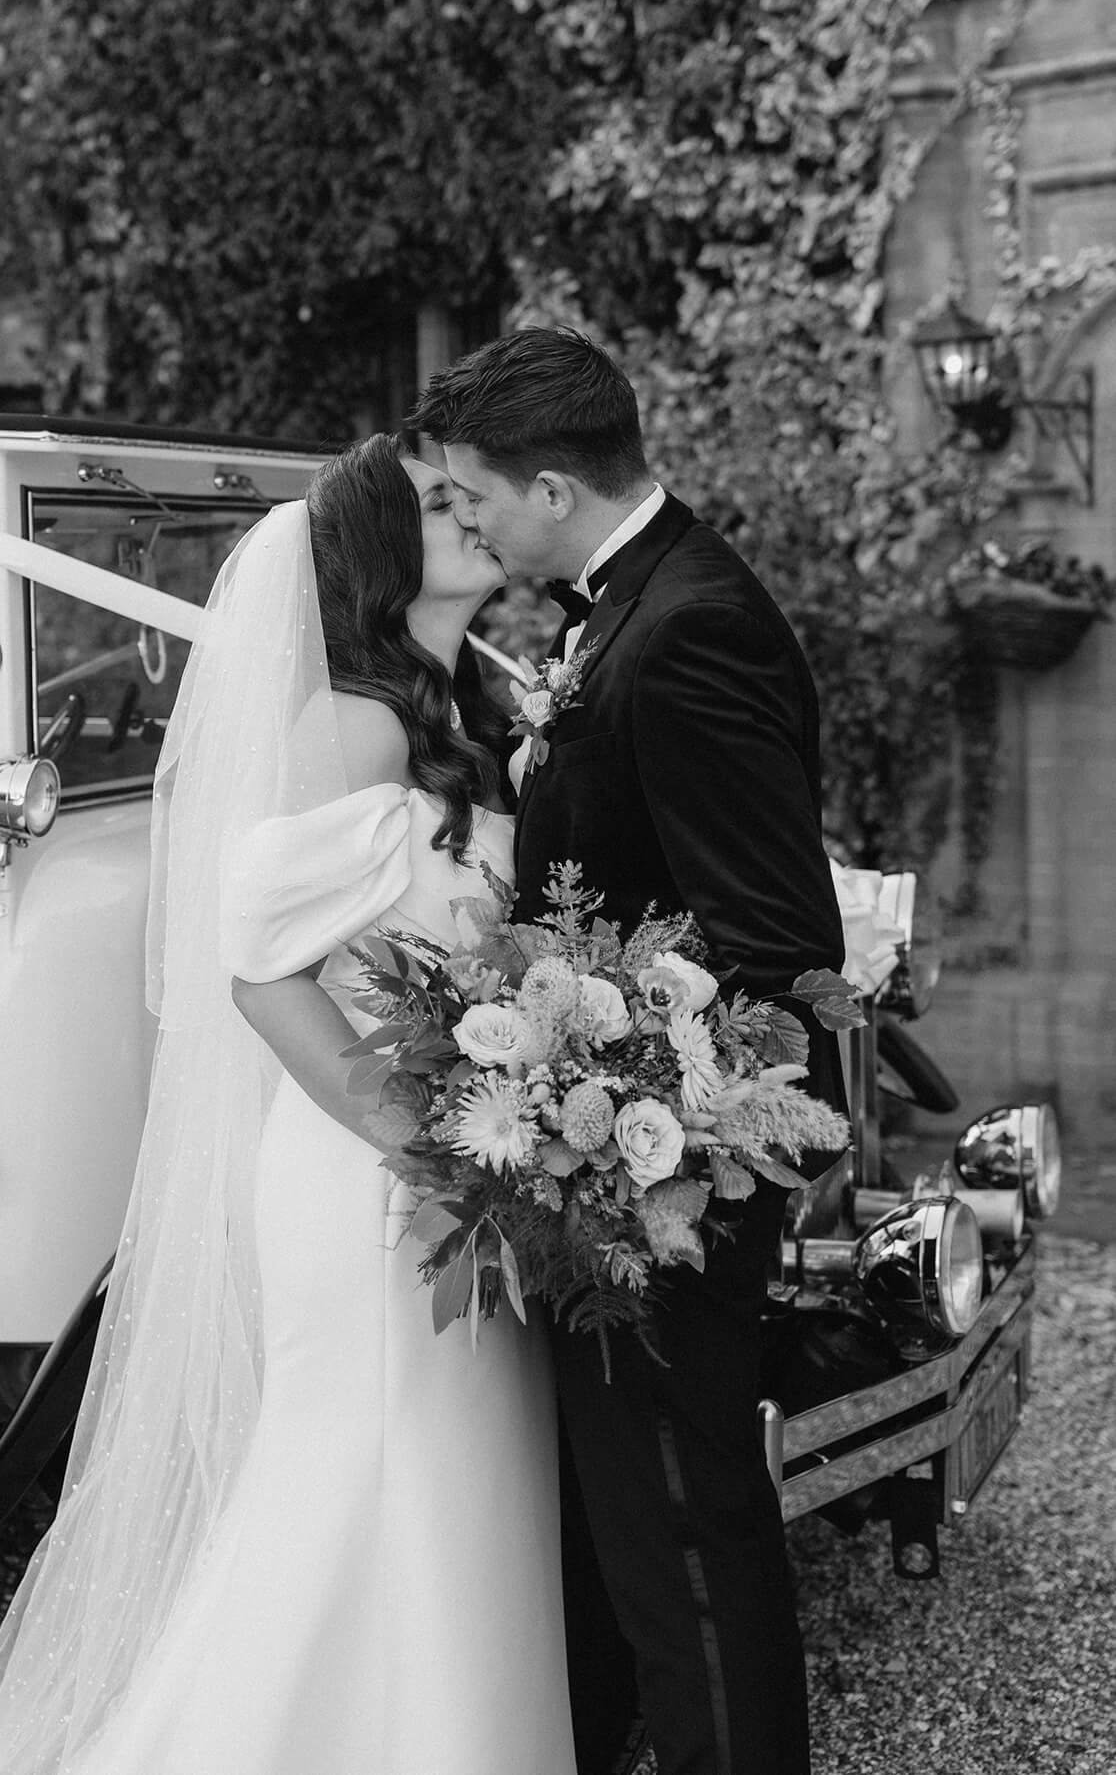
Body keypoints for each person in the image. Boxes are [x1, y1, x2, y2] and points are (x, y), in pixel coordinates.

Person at [0, 433, 578, 1775]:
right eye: (440, 507)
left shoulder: (452, 713)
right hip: (365, 1166)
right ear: (377, 556)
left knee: (450, 1490)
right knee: (364, 1483)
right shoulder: (355, 724)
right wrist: (419, 1137)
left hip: (453, 1160)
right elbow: (260, 969)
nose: (475, 519)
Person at [411, 326, 848, 1775]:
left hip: (672, 1167)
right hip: (612, 1148)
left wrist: (597, 1067)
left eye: (474, 496)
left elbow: (776, 928)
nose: (465, 523)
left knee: (686, 1516)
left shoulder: (690, 623)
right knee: (633, 1521)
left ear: (549, 484)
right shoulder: (626, 605)